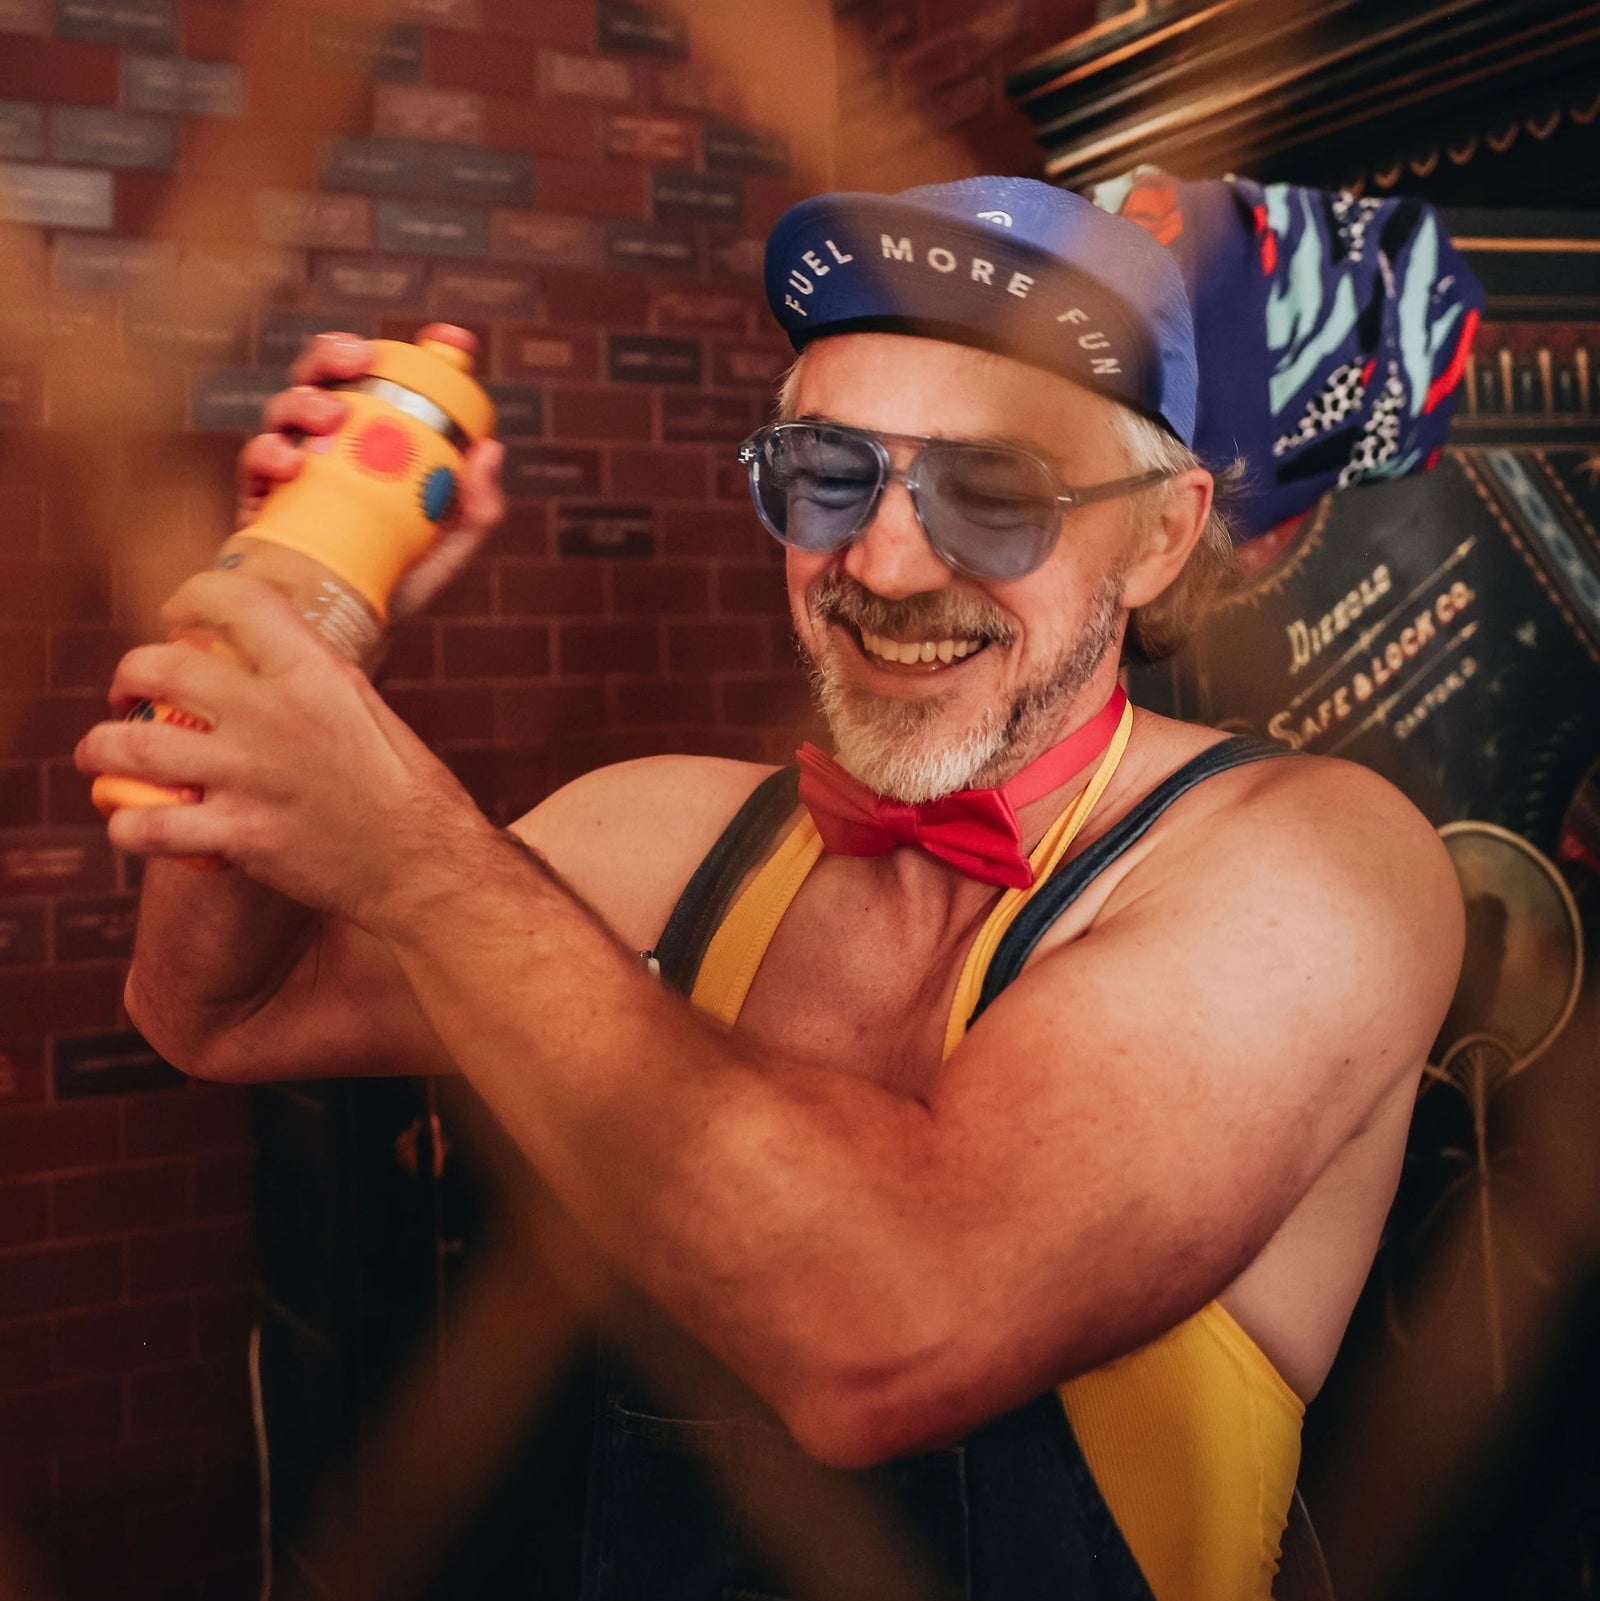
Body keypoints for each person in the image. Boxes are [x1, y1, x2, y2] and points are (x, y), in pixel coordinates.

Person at [77, 178, 1464, 1601]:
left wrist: (419, 859)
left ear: (1159, 535)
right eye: (827, 474)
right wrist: (305, 609)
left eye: (996, 493)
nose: (885, 562)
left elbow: (892, 1335)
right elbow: (217, 1008)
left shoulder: (1316, 863)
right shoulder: (672, 833)